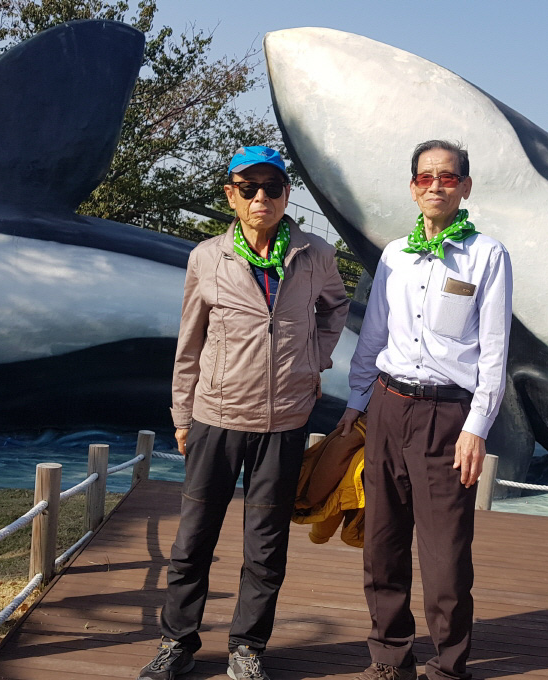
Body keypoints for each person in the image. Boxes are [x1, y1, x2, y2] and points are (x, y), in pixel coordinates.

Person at [138, 146, 350, 680]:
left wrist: (315, 358)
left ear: (286, 195)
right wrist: (182, 415)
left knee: (266, 544)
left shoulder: (316, 254)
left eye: (272, 188)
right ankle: (177, 641)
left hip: (285, 419)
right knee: (193, 538)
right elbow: (190, 341)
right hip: (217, 415)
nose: (261, 198)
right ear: (231, 195)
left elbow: (336, 308)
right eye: (249, 188)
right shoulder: (207, 257)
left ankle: (247, 647)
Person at [335, 140, 513, 680]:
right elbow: (373, 335)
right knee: (382, 543)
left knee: (446, 555)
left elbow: (495, 351)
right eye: (425, 177)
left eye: (447, 177)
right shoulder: (395, 254)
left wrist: (477, 426)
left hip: (448, 416)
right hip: (388, 406)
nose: (435, 185)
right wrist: (357, 403)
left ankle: (448, 667)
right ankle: (389, 657)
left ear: (465, 187)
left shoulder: (487, 255)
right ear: (413, 187)